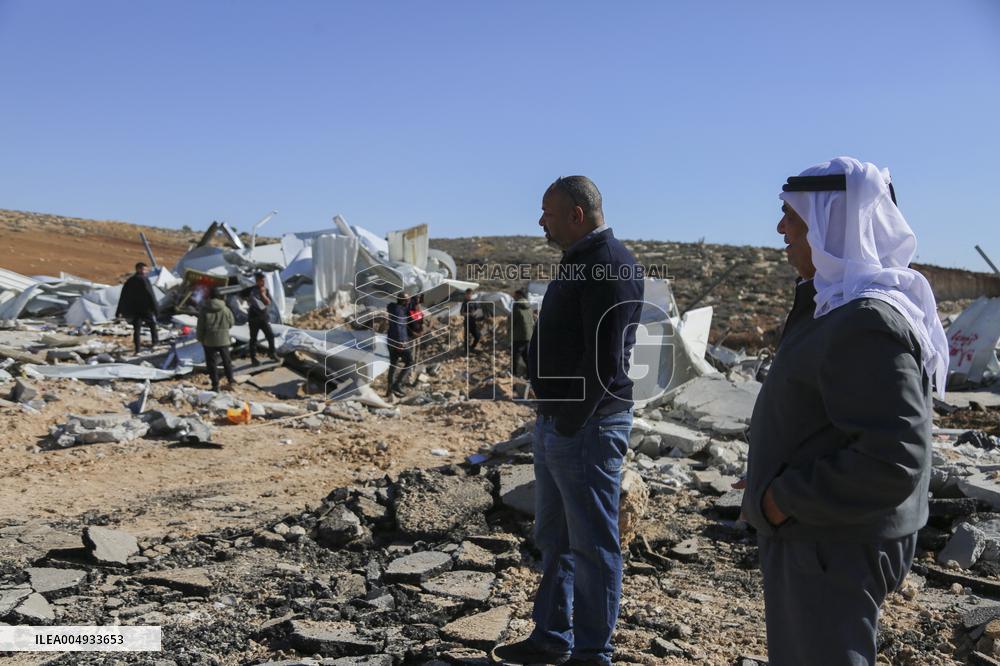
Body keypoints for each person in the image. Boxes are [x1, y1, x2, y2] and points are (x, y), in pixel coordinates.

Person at [742, 157, 947, 666]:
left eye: (791, 214)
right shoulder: (833, 304)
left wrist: (782, 498)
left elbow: (893, 457)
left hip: (830, 541)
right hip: (822, 533)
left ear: (831, 221)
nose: (780, 228)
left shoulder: (864, 321)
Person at [492, 176, 644, 666]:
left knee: (593, 545)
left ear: (577, 215)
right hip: (560, 423)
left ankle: (592, 653)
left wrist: (571, 422)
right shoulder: (579, 262)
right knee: (555, 538)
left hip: (587, 427)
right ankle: (552, 638)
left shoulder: (609, 265)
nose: (541, 221)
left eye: (548, 213)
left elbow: (605, 362)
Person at [196, 287, 236, 392]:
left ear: (209, 297)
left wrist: (200, 338)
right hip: (223, 339)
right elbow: (231, 323)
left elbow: (200, 326)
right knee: (227, 361)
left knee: (211, 363)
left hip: (209, 340)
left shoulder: (204, 310)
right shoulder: (225, 308)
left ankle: (215, 385)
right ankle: (231, 380)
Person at [115, 262, 159, 354]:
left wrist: (119, 310)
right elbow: (151, 295)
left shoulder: (130, 281)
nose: (146, 272)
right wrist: (156, 309)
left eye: (146, 270)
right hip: (145, 309)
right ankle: (155, 343)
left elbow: (123, 296)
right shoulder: (144, 280)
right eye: (144, 269)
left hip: (134, 310)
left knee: (137, 330)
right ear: (138, 269)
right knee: (152, 325)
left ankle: (137, 349)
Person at [242, 272, 277, 366]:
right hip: (253, 318)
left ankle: (272, 353)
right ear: (257, 281)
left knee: (270, 336)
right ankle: (253, 359)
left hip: (263, 317)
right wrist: (247, 300)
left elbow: (268, 302)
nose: (263, 281)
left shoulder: (265, 290)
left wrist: (263, 294)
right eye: (261, 280)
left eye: (263, 280)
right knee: (253, 339)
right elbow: (241, 294)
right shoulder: (251, 290)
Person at [385, 290, 413, 398]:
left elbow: (409, 307)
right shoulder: (399, 312)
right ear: (404, 301)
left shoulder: (395, 308)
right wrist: (401, 342)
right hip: (398, 341)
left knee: (393, 364)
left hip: (391, 340)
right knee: (410, 361)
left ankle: (389, 390)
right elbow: (399, 327)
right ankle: (397, 384)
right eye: (407, 300)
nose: (409, 302)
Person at [510, 289, 533, 377]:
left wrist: (510, 330)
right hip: (528, 335)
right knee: (526, 356)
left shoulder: (516, 305)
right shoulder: (529, 306)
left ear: (519, 295)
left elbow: (513, 320)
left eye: (514, 295)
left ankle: (514, 374)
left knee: (515, 355)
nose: (513, 297)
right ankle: (530, 374)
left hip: (519, 335)